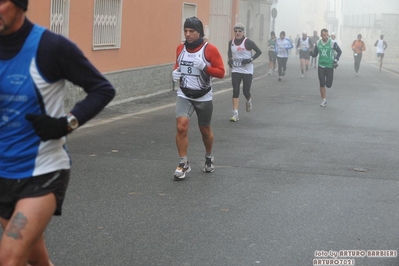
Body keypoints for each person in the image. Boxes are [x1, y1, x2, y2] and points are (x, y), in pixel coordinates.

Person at [0, 0, 116, 265]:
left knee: (9, 258)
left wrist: (66, 124)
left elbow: (102, 89)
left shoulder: (50, 47)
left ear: (19, 4)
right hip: (3, 173)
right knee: (36, 259)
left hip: (42, 172)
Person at [172, 17, 225, 180]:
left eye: (191, 31)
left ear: (199, 33)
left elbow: (221, 72)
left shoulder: (210, 50)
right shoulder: (180, 48)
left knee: (205, 130)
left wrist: (205, 67)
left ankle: (209, 157)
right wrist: (174, 73)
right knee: (181, 126)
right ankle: (183, 163)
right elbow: (178, 65)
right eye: (185, 31)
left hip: (203, 96)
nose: (187, 34)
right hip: (184, 94)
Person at [227, 23, 262, 122]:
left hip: (247, 70)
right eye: (236, 31)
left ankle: (248, 100)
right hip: (236, 69)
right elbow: (229, 51)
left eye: (240, 31)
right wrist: (230, 59)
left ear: (243, 32)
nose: (237, 33)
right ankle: (235, 114)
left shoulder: (248, 42)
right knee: (235, 90)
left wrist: (250, 59)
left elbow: (259, 52)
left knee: (245, 91)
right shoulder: (231, 42)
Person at [311, 28, 342, 107]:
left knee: (328, 85)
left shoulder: (332, 43)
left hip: (329, 66)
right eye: (324, 35)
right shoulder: (318, 43)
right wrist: (311, 53)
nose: (325, 37)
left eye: (327, 35)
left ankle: (326, 89)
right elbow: (315, 54)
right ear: (321, 35)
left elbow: (339, 51)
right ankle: (324, 100)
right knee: (321, 83)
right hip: (321, 65)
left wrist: (335, 60)